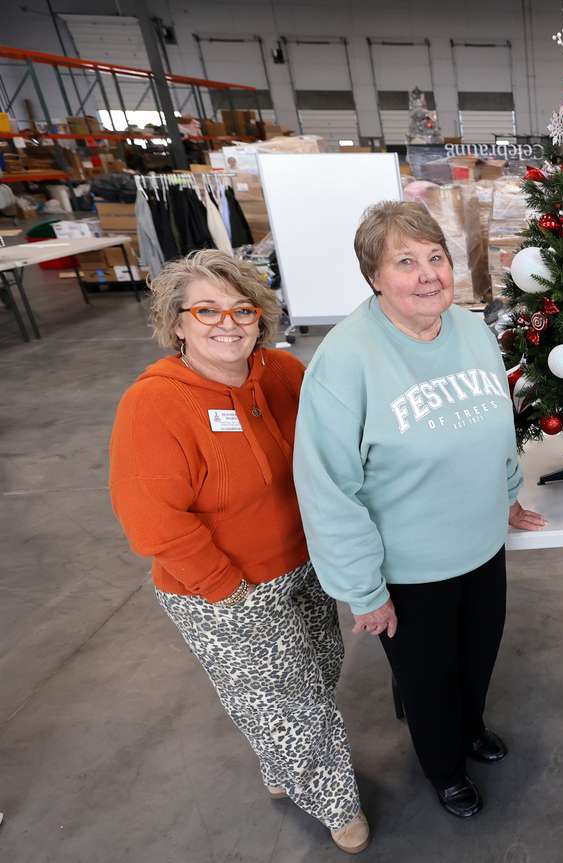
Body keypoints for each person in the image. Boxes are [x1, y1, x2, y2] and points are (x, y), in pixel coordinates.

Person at [108, 250, 368, 854]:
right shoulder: (154, 404)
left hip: (303, 564)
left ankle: (283, 767)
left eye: (241, 309)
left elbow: (331, 451)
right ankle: (338, 805)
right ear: (177, 322)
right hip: (222, 589)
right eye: (206, 311)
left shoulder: (281, 373)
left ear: (260, 317)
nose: (227, 323)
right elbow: (153, 521)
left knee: (319, 672)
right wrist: (228, 591)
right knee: (293, 703)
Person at [294, 201, 546, 820]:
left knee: (478, 654)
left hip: (481, 546)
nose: (427, 273)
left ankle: (471, 728)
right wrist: (363, 589)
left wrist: (508, 492)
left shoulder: (470, 329)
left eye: (436, 257)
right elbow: (328, 487)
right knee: (428, 682)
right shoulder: (345, 360)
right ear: (374, 276)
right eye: (405, 262)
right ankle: (444, 766)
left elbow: (496, 426)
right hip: (407, 569)